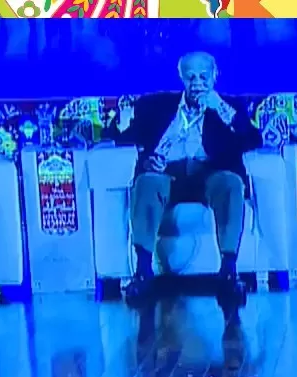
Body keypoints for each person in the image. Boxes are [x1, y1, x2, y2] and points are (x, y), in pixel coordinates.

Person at [113, 52, 263, 303]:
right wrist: (147, 161)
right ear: (181, 78)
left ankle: (228, 272)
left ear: (215, 76)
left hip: (210, 173)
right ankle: (143, 273)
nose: (197, 83)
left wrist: (220, 108)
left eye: (203, 76)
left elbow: (253, 140)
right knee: (146, 182)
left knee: (231, 183)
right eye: (191, 77)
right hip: (167, 173)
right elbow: (126, 138)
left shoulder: (229, 106)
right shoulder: (156, 106)